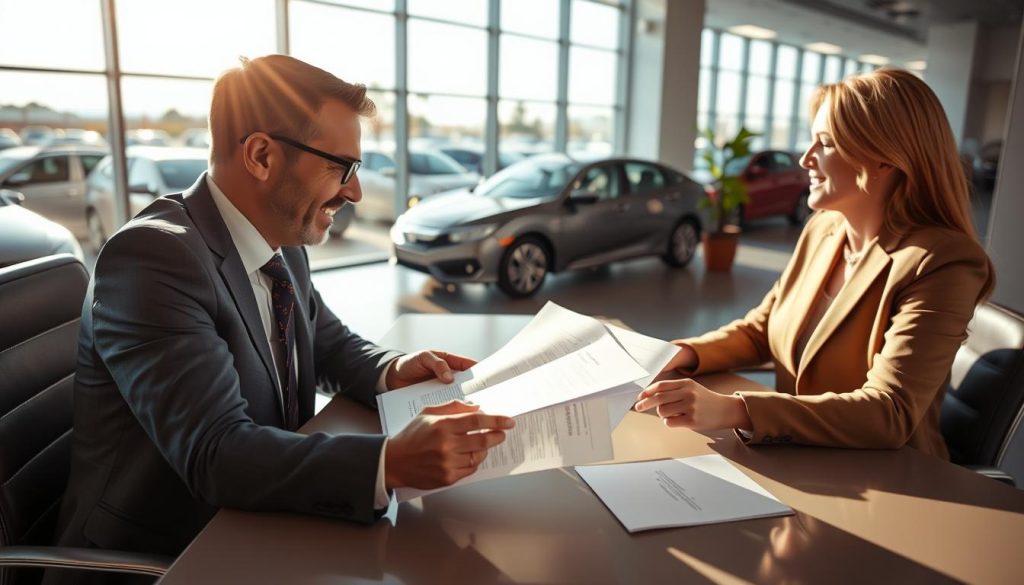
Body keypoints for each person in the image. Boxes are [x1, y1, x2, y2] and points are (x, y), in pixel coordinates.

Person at [49, 54, 514, 574]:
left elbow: (329, 342)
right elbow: (216, 453)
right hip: (166, 554)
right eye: (342, 166)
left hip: (260, 524)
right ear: (262, 156)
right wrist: (391, 462)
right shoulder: (152, 260)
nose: (355, 191)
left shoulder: (281, 240)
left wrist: (393, 368)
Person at [635, 68, 994, 458]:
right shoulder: (824, 230)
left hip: (888, 480)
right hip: (800, 456)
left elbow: (889, 412)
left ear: (884, 160)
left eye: (825, 144)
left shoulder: (942, 263)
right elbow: (762, 330)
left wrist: (733, 409)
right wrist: (679, 353)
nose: (806, 159)